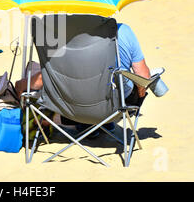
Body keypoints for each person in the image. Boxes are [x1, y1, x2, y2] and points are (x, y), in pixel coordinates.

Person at [14, 22, 151, 137]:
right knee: (132, 87)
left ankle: (80, 123)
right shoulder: (122, 30)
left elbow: (46, 78)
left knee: (59, 81)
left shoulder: (58, 32)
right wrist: (140, 91)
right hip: (114, 108)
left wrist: (22, 85)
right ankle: (98, 123)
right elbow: (143, 77)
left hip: (70, 108)